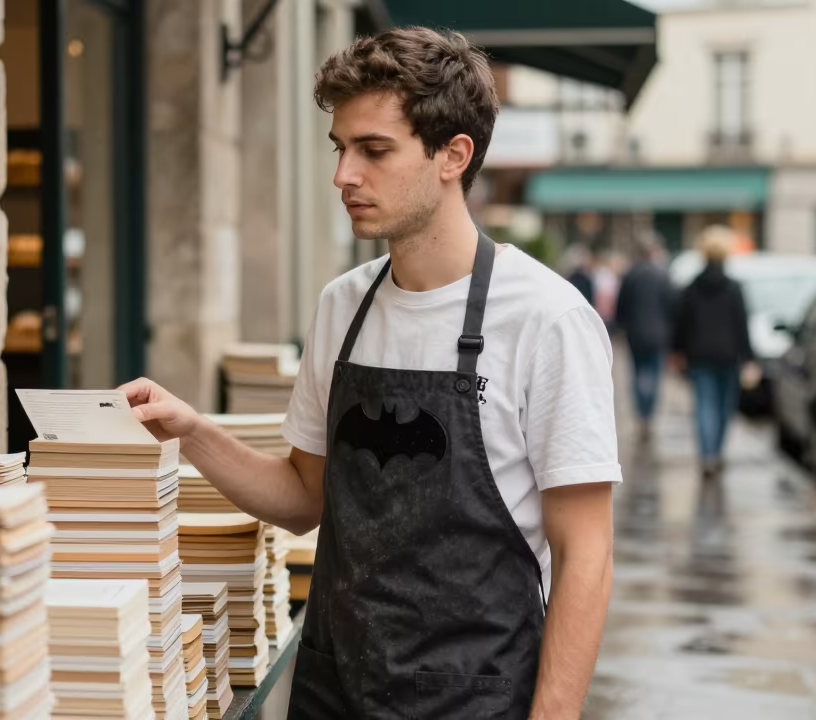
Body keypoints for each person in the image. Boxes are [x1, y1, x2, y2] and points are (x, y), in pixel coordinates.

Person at [120, 27, 620, 720]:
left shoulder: (547, 320)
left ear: (454, 156)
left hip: (475, 699)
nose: (343, 175)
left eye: (374, 151)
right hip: (334, 690)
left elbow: (586, 553)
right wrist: (192, 431)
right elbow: (304, 498)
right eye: (340, 149)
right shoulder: (343, 306)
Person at [670, 225, 756, 478]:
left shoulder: (692, 287)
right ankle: (716, 452)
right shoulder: (733, 288)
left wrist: (677, 351)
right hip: (729, 356)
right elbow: (742, 324)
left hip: (699, 355)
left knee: (704, 405)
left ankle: (707, 455)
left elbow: (681, 323)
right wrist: (749, 358)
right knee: (724, 407)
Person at [615, 234, 675, 442]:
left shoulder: (630, 274)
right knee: (655, 375)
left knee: (638, 373)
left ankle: (642, 413)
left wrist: (620, 327)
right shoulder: (662, 275)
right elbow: (672, 305)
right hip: (658, 334)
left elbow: (621, 305)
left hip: (635, 333)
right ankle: (648, 414)